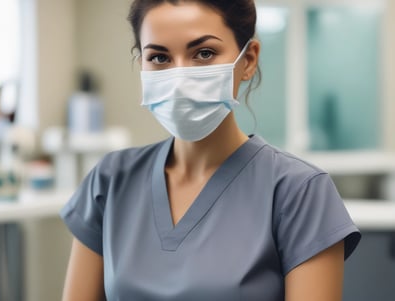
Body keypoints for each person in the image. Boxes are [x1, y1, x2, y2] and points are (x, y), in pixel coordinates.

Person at [60, 0, 361, 300]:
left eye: (203, 54)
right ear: (142, 65)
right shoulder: (111, 181)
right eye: (160, 57)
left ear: (249, 60)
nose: (180, 79)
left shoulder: (298, 192)